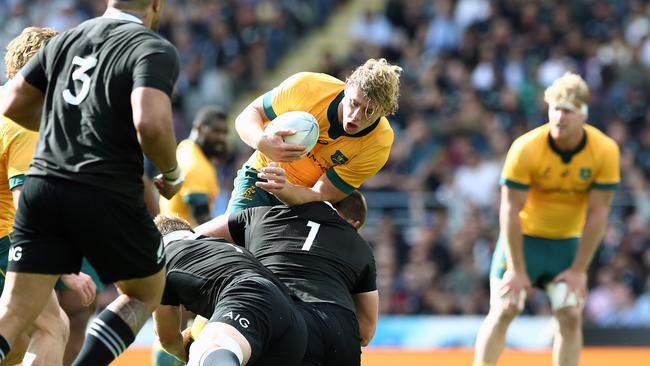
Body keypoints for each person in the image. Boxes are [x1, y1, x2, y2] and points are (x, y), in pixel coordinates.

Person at [0, 1, 183, 364]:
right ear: (157, 5)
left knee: (16, 320)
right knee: (146, 291)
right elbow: (151, 123)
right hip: (99, 185)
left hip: (43, 193)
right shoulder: (150, 46)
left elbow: (14, 102)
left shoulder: (67, 42)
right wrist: (172, 173)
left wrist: (56, 131)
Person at [473, 72, 620, 366]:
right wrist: (516, 269)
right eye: (554, 108)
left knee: (570, 314)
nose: (559, 116)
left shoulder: (604, 150)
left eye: (567, 109)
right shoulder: (526, 147)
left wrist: (579, 269)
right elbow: (510, 209)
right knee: (504, 308)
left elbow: (599, 213)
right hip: (522, 241)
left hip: (565, 245)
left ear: (583, 114)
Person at [1, 26, 98, 366]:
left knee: (19, 340)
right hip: (4, 238)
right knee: (53, 327)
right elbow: (24, 198)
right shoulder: (26, 121)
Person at [195, 185, 378, 365]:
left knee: (213, 346)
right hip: (340, 329)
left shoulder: (262, 215)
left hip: (277, 312)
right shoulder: (362, 248)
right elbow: (366, 331)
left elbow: (192, 238)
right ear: (353, 223)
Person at [228, 58, 401, 211]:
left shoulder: (379, 145)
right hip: (261, 175)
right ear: (347, 85)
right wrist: (261, 141)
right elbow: (248, 115)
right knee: (232, 236)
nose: (356, 115)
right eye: (354, 103)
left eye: (369, 111)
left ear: (385, 112)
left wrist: (285, 189)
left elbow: (320, 194)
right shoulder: (307, 87)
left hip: (302, 206)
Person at [152, 214, 307, 366]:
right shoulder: (221, 246)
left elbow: (168, 339)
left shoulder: (162, 259)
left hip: (246, 297)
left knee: (203, 353)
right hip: (292, 320)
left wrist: (188, 349)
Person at [159, 105, 229, 226]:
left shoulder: (186, 147)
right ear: (199, 129)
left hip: (171, 235)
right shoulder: (196, 165)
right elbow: (201, 220)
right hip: (184, 239)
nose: (221, 138)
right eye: (216, 131)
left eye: (224, 133)